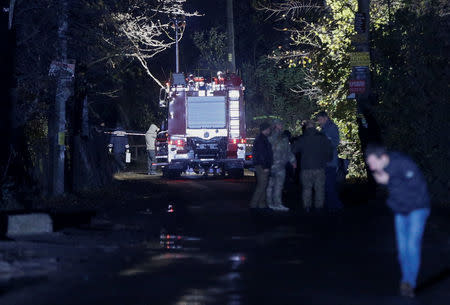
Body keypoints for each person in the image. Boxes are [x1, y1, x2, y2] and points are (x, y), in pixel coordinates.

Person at [365, 144, 430, 298]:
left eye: (373, 162)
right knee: (402, 250)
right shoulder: (381, 170)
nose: (372, 167)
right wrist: (386, 182)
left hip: (417, 209)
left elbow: (415, 189)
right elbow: (395, 192)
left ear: (383, 158)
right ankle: (407, 279)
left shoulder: (403, 163)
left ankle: (408, 282)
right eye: (369, 164)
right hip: (400, 210)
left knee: (411, 246)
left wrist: (389, 180)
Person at [292, 120, 332, 213]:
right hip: (320, 167)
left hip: (306, 168)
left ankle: (307, 207)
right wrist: (327, 160)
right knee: (319, 189)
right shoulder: (322, 138)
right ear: (315, 127)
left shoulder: (302, 138)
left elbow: (293, 149)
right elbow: (329, 150)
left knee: (307, 188)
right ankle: (319, 207)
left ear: (306, 128)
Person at [266, 120, 297, 211]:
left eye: (281, 125)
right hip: (272, 165)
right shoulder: (270, 138)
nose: (281, 126)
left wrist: (293, 161)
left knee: (278, 186)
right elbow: (266, 152)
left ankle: (277, 204)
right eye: (279, 125)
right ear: (275, 126)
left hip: (280, 165)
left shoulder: (284, 138)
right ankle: (270, 203)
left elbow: (288, 151)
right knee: (271, 185)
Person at [316, 111, 343, 212]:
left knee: (329, 184)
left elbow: (335, 142)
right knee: (326, 185)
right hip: (325, 162)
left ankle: (335, 206)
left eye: (319, 119)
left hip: (330, 162)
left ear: (325, 118)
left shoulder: (332, 127)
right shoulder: (324, 129)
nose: (318, 122)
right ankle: (330, 206)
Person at [250, 122, 273, 209]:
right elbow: (262, 154)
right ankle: (254, 205)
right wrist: (265, 166)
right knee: (262, 186)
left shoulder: (261, 139)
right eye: (269, 129)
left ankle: (261, 204)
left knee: (263, 185)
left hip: (260, 165)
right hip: (262, 166)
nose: (270, 130)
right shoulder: (261, 140)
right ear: (266, 129)